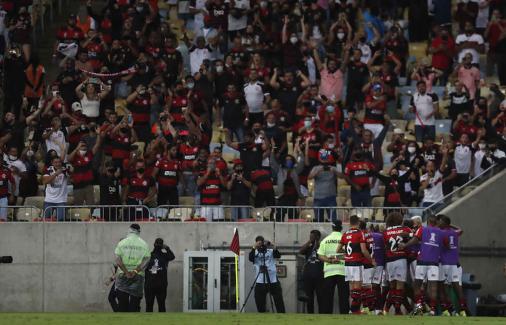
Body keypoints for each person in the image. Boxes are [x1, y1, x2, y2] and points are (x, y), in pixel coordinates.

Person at [400, 214, 444, 316]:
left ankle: (419, 307)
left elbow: (415, 239)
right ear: (436, 223)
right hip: (434, 263)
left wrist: (405, 245)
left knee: (417, 285)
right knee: (433, 287)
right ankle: (432, 310)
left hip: (422, 260)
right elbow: (445, 244)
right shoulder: (441, 233)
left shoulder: (422, 229)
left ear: (427, 222)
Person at [337, 215, 375, 314]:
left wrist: (347, 254)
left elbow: (337, 250)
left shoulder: (345, 234)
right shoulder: (360, 233)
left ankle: (353, 310)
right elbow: (363, 250)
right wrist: (371, 260)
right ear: (358, 223)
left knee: (353, 287)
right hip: (357, 262)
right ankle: (355, 310)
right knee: (358, 287)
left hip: (348, 263)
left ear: (349, 223)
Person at [114, 224, 151, 312]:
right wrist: (135, 271)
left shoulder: (121, 243)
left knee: (122, 303)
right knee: (135, 304)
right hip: (138, 275)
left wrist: (126, 272)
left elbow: (118, 260)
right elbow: (146, 260)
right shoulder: (144, 244)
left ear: (129, 230)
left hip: (122, 275)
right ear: (139, 231)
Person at [382, 212, 412, 315]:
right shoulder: (405, 229)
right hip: (400, 259)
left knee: (392, 287)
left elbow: (385, 246)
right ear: (400, 219)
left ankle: (386, 309)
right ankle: (397, 310)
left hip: (389, 261)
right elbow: (415, 236)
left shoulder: (385, 232)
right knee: (400, 286)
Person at [438, 214, 468, 316]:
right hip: (454, 264)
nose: (438, 223)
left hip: (443, 263)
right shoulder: (454, 233)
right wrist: (450, 225)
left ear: (444, 222)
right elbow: (461, 229)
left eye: (439, 221)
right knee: (457, 287)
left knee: (442, 287)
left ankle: (447, 310)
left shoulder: (440, 233)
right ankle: (462, 310)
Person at [317, 220, 349, 314]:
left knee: (327, 297)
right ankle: (345, 317)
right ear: (341, 228)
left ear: (332, 228)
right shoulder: (345, 239)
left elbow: (320, 255)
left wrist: (330, 260)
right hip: (343, 271)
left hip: (329, 272)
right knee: (343, 297)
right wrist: (338, 257)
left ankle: (327, 317)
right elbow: (348, 253)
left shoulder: (325, 240)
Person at [249, 235, 285, 313]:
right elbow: (250, 258)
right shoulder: (254, 252)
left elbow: (278, 255)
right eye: (259, 243)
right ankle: (262, 315)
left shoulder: (270, 251)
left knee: (278, 300)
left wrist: (273, 246)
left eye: (262, 243)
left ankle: (282, 315)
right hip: (260, 280)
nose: (261, 245)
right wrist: (254, 247)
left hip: (273, 280)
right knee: (260, 302)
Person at [145, 238, 175, 313]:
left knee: (149, 306)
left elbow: (172, 257)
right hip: (161, 284)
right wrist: (167, 248)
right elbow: (172, 257)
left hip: (150, 284)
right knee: (161, 305)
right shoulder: (164, 256)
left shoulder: (149, 255)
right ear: (162, 246)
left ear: (154, 244)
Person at [299, 230, 324, 314]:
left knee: (321, 297)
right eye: (310, 236)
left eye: (312, 236)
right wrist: (310, 242)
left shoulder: (322, 245)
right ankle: (310, 315)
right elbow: (301, 251)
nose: (311, 238)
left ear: (317, 237)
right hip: (308, 276)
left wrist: (318, 244)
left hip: (320, 275)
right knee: (309, 297)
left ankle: (322, 315)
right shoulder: (308, 246)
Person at [42, 156, 70, 221]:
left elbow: (72, 179)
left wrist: (69, 172)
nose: (58, 164)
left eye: (59, 162)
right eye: (56, 162)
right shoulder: (48, 170)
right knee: (46, 220)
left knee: (60, 220)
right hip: (49, 199)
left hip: (61, 200)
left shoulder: (65, 170)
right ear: (52, 163)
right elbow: (45, 182)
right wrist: (55, 174)